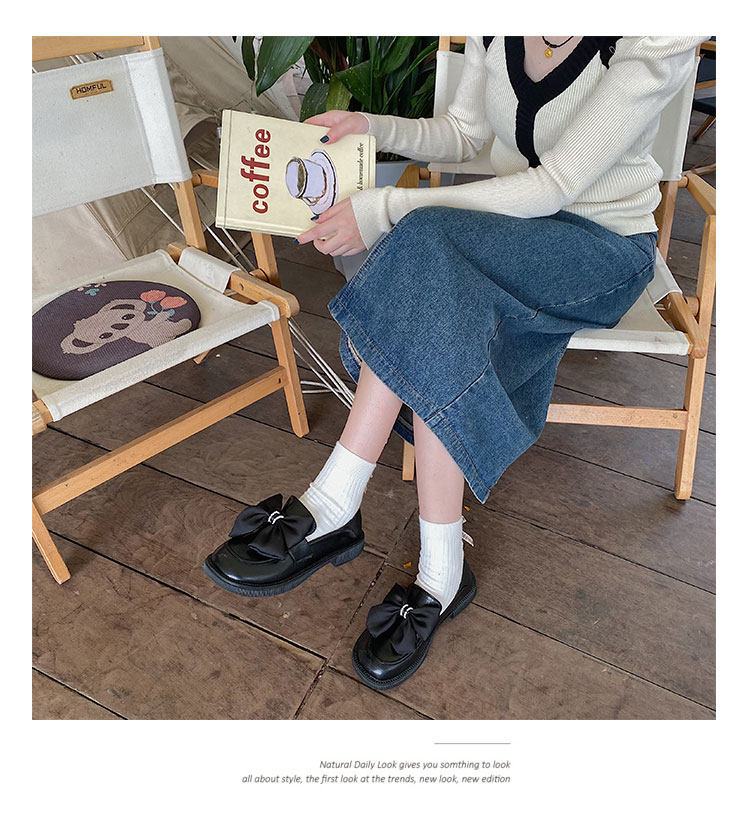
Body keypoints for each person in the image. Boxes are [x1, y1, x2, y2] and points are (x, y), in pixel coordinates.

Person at [203, 35, 705, 691]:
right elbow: (465, 134)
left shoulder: (647, 40)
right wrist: (371, 126)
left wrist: (384, 208)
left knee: (424, 240)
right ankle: (440, 567)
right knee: (440, 294)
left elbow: (554, 186)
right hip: (512, 230)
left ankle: (336, 501)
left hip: (601, 250)